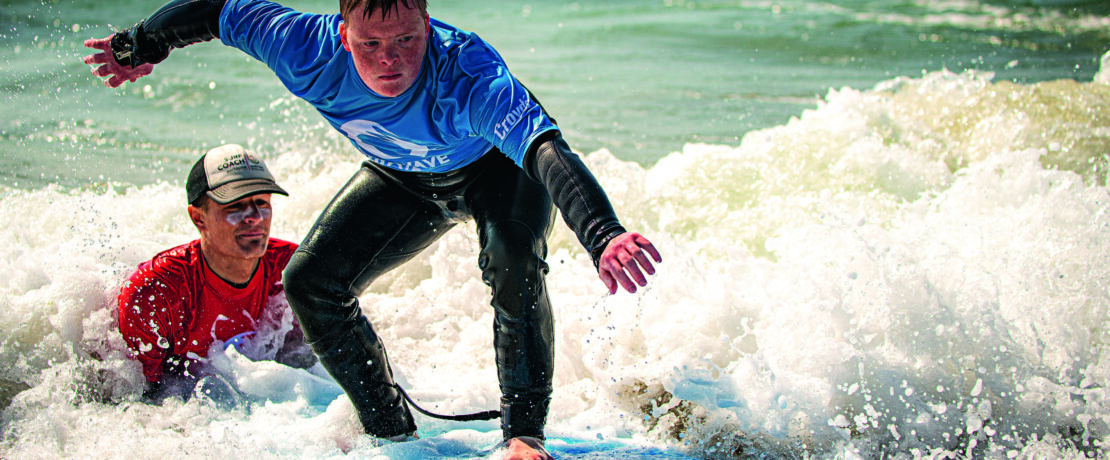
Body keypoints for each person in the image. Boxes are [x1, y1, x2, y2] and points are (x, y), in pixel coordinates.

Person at [85, 1, 662, 457]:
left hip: (500, 174)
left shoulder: (468, 75)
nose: (391, 59)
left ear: (428, 25)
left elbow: (543, 150)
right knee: (310, 281)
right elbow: (216, 11)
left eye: (408, 40)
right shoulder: (301, 46)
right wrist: (145, 42)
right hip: (404, 176)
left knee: (511, 261)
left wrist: (603, 232)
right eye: (371, 44)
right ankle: (393, 436)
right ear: (342, 34)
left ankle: (524, 437)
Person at [117, 144, 315, 402]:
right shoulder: (155, 294)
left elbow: (309, 363)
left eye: (261, 202)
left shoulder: (295, 270)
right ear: (199, 218)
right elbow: (138, 401)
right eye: (236, 205)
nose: (255, 217)